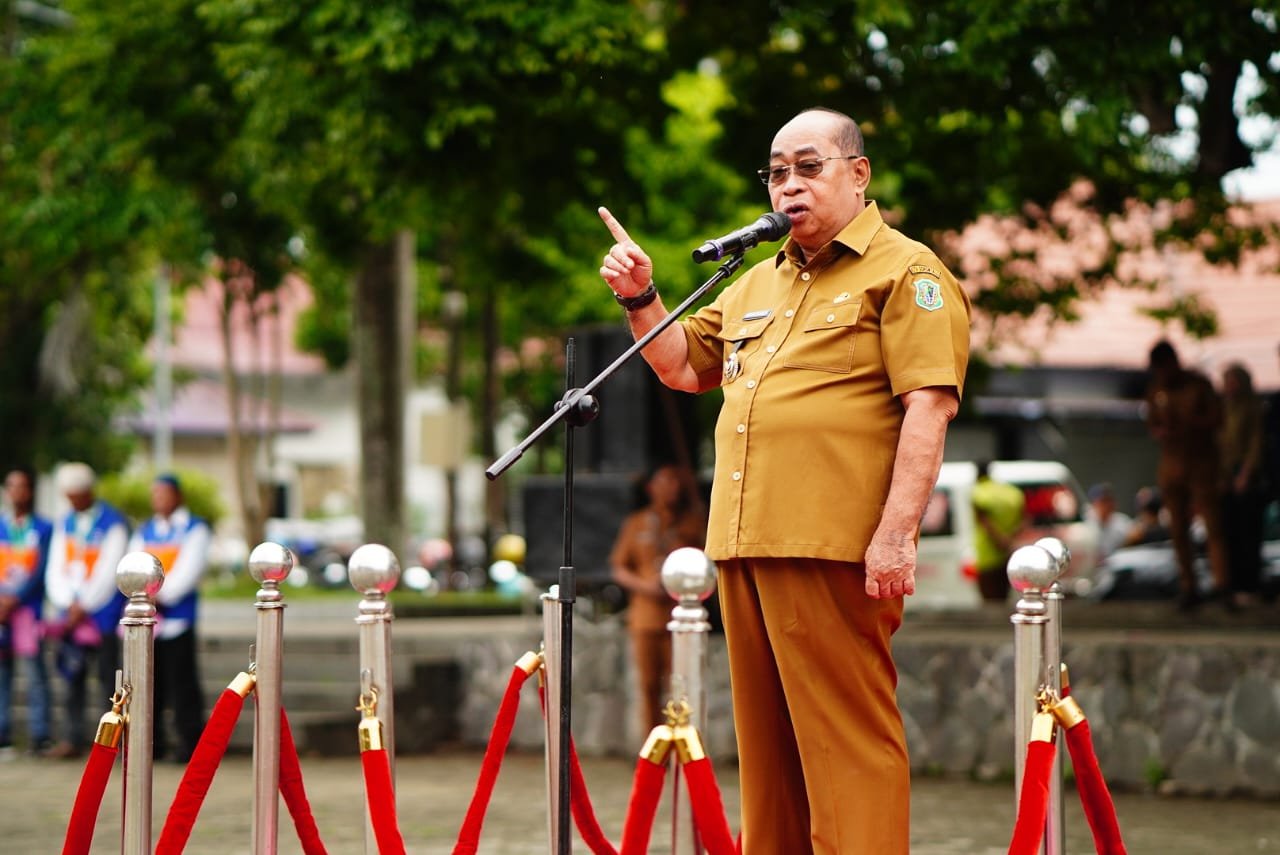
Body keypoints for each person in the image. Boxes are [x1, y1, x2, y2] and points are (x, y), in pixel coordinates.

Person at [598, 107, 970, 854]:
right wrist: (642, 297)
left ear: (858, 174)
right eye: (776, 173)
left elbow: (928, 408)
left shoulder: (907, 271)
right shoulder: (755, 282)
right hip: (745, 544)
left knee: (845, 741)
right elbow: (681, 365)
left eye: (808, 167)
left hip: (831, 544)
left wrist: (896, 535)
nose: (788, 185)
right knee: (768, 756)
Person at [608, 464, 707, 734]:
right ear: (652, 488)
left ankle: (683, 744)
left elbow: (706, 564)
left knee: (682, 685)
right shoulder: (636, 523)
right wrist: (645, 586)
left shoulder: (693, 522)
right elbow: (618, 568)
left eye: (676, 482)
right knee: (649, 686)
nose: (672, 488)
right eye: (665, 482)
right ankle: (652, 747)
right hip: (646, 617)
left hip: (682, 615)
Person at [43, 463, 129, 759]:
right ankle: (72, 738)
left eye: (76, 495)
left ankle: (113, 742)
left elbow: (109, 569)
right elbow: (56, 566)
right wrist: (67, 602)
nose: (72, 501)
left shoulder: (112, 522)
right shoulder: (65, 522)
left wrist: (85, 604)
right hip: (70, 616)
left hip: (101, 615)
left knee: (108, 680)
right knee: (71, 678)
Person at [128, 473, 212, 762]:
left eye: (164, 493)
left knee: (182, 683)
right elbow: (133, 563)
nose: (159, 499)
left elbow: (189, 570)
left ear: (178, 496)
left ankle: (190, 743)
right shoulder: (146, 530)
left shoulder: (194, 528)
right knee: (151, 684)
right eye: (155, 494)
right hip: (150, 619)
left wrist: (158, 595)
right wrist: (141, 592)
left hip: (177, 618)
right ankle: (154, 743)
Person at [1144, 340, 1229, 610]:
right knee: (1178, 529)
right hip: (1172, 465)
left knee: (1213, 526)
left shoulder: (1198, 385)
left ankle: (1222, 584)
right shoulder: (1156, 390)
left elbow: (1217, 418)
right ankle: (1189, 586)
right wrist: (1163, 430)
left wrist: (1188, 424)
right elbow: (1152, 424)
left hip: (1201, 463)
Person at [0, 466, 54, 755]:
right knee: (2, 672)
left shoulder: (43, 528)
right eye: (11, 486)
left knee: (35, 672)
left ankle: (39, 734)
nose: (16, 492)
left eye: (21, 486)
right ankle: (3, 734)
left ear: (30, 491)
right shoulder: (2, 525)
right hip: (2, 611)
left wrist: (16, 598)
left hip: (28, 610)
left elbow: (41, 570)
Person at [1219, 363, 1266, 608]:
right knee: (1230, 533)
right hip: (1226, 475)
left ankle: (1249, 585)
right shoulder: (1224, 409)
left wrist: (1246, 473)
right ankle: (1233, 584)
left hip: (1246, 475)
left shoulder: (1252, 408)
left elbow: (1255, 444)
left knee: (1248, 533)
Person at [971, 461, 1026, 602]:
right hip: (1008, 555)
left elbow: (983, 520)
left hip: (987, 557)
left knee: (990, 601)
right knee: (1004, 600)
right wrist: (1009, 539)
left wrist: (1000, 540)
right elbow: (1025, 520)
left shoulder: (979, 492)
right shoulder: (1012, 492)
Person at [1086, 482, 1134, 559]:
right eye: (1103, 501)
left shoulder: (1123, 521)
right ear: (1094, 503)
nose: (1107, 505)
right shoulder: (1085, 521)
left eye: (1109, 500)